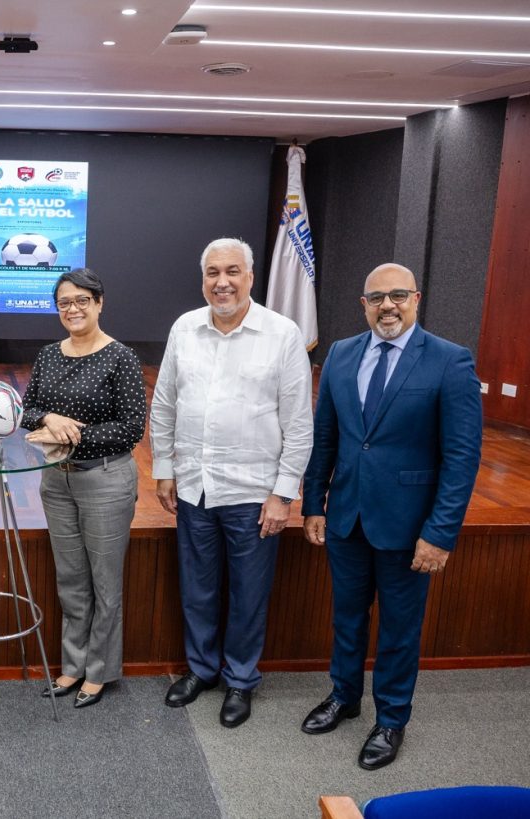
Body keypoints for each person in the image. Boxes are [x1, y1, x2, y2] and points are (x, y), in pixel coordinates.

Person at [300, 263, 482, 770]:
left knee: (400, 627)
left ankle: (392, 719)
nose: (387, 305)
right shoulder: (341, 354)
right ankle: (344, 696)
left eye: (398, 295)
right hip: (347, 517)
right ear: (363, 304)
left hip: (410, 527)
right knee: (347, 617)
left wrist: (440, 534)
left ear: (416, 299)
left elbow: (462, 458)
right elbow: (327, 438)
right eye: (377, 297)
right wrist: (314, 502)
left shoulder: (449, 361)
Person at [151, 237, 313, 727]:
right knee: (197, 588)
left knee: (248, 593)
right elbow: (164, 404)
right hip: (195, 488)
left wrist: (284, 493)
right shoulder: (185, 328)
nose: (222, 282)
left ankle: (240, 680)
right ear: (203, 279)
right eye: (213, 273)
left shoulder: (282, 334)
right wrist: (164, 468)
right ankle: (201, 669)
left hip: (253, 494)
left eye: (232, 272)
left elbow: (300, 422)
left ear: (250, 276)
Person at [21, 268, 146, 709]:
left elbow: (132, 429)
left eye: (80, 301)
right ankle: (72, 667)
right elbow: (28, 408)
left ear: (99, 302)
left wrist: (69, 435)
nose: (72, 310)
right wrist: (46, 419)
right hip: (57, 482)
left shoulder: (121, 357)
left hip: (106, 480)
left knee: (105, 583)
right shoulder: (49, 355)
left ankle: (100, 671)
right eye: (64, 303)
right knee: (71, 581)